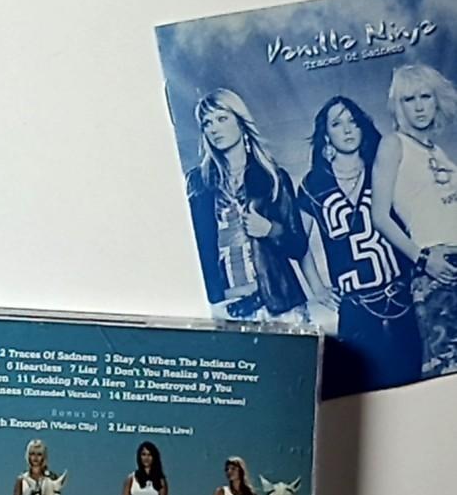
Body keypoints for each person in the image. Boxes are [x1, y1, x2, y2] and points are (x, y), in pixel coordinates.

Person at [298, 95, 422, 397]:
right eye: (337, 124)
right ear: (326, 135)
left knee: (413, 382)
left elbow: (416, 219)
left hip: (401, 298)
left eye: (352, 122)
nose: (347, 129)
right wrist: (317, 287)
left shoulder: (383, 169)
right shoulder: (313, 185)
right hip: (356, 307)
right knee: (365, 390)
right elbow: (299, 241)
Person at [186, 88, 310, 321]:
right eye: (207, 123)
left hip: (279, 306)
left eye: (222, 119)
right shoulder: (198, 183)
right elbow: (192, 249)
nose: (214, 129)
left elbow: (298, 245)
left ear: (241, 122)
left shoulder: (272, 177)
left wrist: (270, 229)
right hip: (227, 309)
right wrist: (215, 296)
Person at [371, 64, 457, 379]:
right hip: (436, 266)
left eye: (425, 96)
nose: (419, 106)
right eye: (409, 99)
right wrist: (422, 259)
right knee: (446, 367)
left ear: (437, 101)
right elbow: (379, 217)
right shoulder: (393, 144)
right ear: (398, 105)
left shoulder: (438, 150)